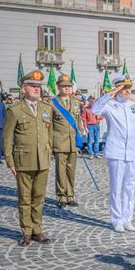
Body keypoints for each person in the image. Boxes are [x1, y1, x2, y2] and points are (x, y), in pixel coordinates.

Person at [2, 70, 53, 246]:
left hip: (43, 160)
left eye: (38, 86)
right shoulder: (15, 111)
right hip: (23, 161)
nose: (37, 89)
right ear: (24, 89)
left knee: (39, 197)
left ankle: (37, 230)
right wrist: (10, 162)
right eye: (33, 86)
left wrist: (49, 153)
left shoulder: (46, 109)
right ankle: (26, 231)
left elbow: (49, 134)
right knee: (25, 198)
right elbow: (7, 138)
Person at [92, 75, 135, 233]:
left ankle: (128, 219)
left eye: (129, 88)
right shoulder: (109, 105)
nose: (127, 91)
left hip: (132, 152)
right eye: (123, 88)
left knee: (130, 187)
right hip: (116, 151)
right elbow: (94, 110)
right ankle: (117, 219)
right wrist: (109, 94)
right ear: (118, 89)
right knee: (116, 187)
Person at [51, 74, 83, 208]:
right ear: (58, 87)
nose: (67, 88)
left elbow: (78, 122)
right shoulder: (52, 103)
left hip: (73, 143)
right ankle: (61, 197)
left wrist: (80, 138)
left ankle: (70, 196)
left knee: (71, 171)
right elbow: (49, 125)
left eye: (69, 86)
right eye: (64, 86)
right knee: (61, 171)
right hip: (60, 142)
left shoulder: (75, 102)